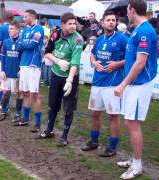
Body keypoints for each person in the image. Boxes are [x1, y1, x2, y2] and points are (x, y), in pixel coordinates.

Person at [114, 0, 157, 179]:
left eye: (127, 10)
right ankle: (135, 160)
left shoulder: (145, 31)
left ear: (132, 10)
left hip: (139, 84)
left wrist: (123, 84)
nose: (127, 13)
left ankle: (138, 166)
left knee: (132, 124)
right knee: (130, 122)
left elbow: (140, 63)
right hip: (133, 84)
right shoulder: (138, 30)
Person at [81, 11, 127, 157]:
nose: (111, 22)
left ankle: (112, 147)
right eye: (108, 20)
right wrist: (94, 62)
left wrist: (117, 64)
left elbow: (131, 58)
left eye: (114, 20)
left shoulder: (122, 39)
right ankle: (94, 141)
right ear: (102, 22)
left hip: (113, 84)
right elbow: (92, 54)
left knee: (113, 116)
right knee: (95, 114)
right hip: (97, 82)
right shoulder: (100, 39)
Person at [39, 12, 84, 146]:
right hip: (55, 74)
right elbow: (47, 53)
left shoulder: (78, 39)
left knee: (68, 107)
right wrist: (57, 61)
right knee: (53, 104)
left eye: (74, 23)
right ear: (62, 24)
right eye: (69, 24)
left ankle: (64, 136)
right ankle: (49, 130)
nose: (73, 26)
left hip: (70, 77)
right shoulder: (55, 34)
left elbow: (75, 62)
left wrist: (70, 80)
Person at [12, 9, 44, 133]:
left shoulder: (39, 29)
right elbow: (21, 46)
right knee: (25, 92)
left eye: (25, 17)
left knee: (34, 95)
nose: (23, 19)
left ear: (32, 16)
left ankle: (37, 123)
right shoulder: (24, 30)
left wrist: (23, 44)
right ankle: (25, 119)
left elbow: (31, 45)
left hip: (33, 65)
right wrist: (24, 44)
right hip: (24, 65)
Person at [0, 22, 22, 121]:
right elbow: (2, 57)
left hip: (16, 73)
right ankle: (4, 111)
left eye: (11, 28)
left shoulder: (21, 43)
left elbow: (23, 58)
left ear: (17, 30)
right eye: (9, 28)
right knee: (5, 92)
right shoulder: (6, 42)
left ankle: (18, 114)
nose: (9, 30)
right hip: (7, 73)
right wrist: (2, 70)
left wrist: (21, 70)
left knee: (18, 94)